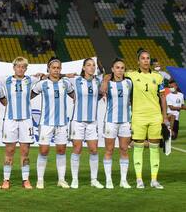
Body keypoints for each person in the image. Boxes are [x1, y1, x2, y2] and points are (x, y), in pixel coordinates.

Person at [102, 48, 168, 189]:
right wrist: (105, 80)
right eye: (143, 58)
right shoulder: (130, 75)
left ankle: (154, 180)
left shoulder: (158, 77)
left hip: (155, 116)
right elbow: (112, 74)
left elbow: (162, 97)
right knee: (137, 147)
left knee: (154, 148)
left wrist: (165, 117)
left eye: (148, 58)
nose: (146, 60)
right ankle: (139, 180)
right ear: (138, 61)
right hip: (138, 116)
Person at [0, 57, 42, 189]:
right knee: (9, 150)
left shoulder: (30, 79)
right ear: (14, 67)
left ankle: (25, 180)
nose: (20, 69)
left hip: (26, 121)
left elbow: (48, 77)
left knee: (24, 151)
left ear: (26, 69)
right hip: (10, 120)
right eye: (18, 66)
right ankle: (6, 180)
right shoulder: (6, 80)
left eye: (23, 67)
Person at [31, 57, 74, 189]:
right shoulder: (42, 84)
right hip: (46, 123)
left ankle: (61, 179)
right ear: (48, 69)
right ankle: (40, 180)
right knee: (43, 151)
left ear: (60, 69)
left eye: (58, 68)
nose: (56, 70)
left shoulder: (65, 83)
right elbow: (29, 96)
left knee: (61, 150)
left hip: (61, 123)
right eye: (53, 68)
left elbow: (74, 96)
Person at [69, 58, 104, 189]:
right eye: (88, 65)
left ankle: (94, 180)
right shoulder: (76, 80)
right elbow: (62, 83)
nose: (92, 67)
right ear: (83, 68)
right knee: (77, 149)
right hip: (77, 121)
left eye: (93, 65)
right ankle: (74, 179)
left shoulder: (98, 81)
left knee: (94, 150)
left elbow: (101, 94)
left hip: (92, 121)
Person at [100, 58, 132, 189]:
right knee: (109, 150)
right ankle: (108, 180)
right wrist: (106, 79)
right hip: (110, 121)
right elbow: (102, 90)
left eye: (122, 68)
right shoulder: (108, 83)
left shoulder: (129, 83)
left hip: (125, 121)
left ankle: (123, 180)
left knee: (124, 149)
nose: (120, 70)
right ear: (112, 69)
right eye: (117, 67)